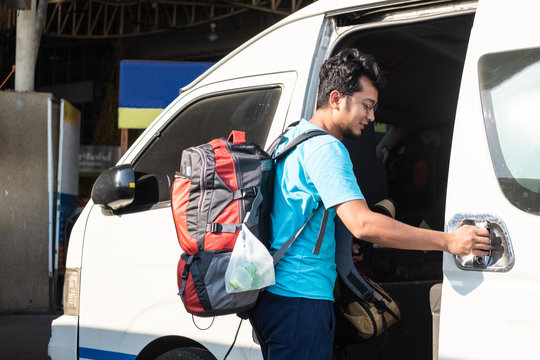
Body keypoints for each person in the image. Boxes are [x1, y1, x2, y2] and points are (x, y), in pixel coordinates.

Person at [248, 48, 491, 360]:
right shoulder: (326, 148)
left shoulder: (292, 138)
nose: (372, 117)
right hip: (301, 298)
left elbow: (298, 216)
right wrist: (449, 241)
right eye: (367, 105)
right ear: (336, 99)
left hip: (274, 297)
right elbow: (364, 224)